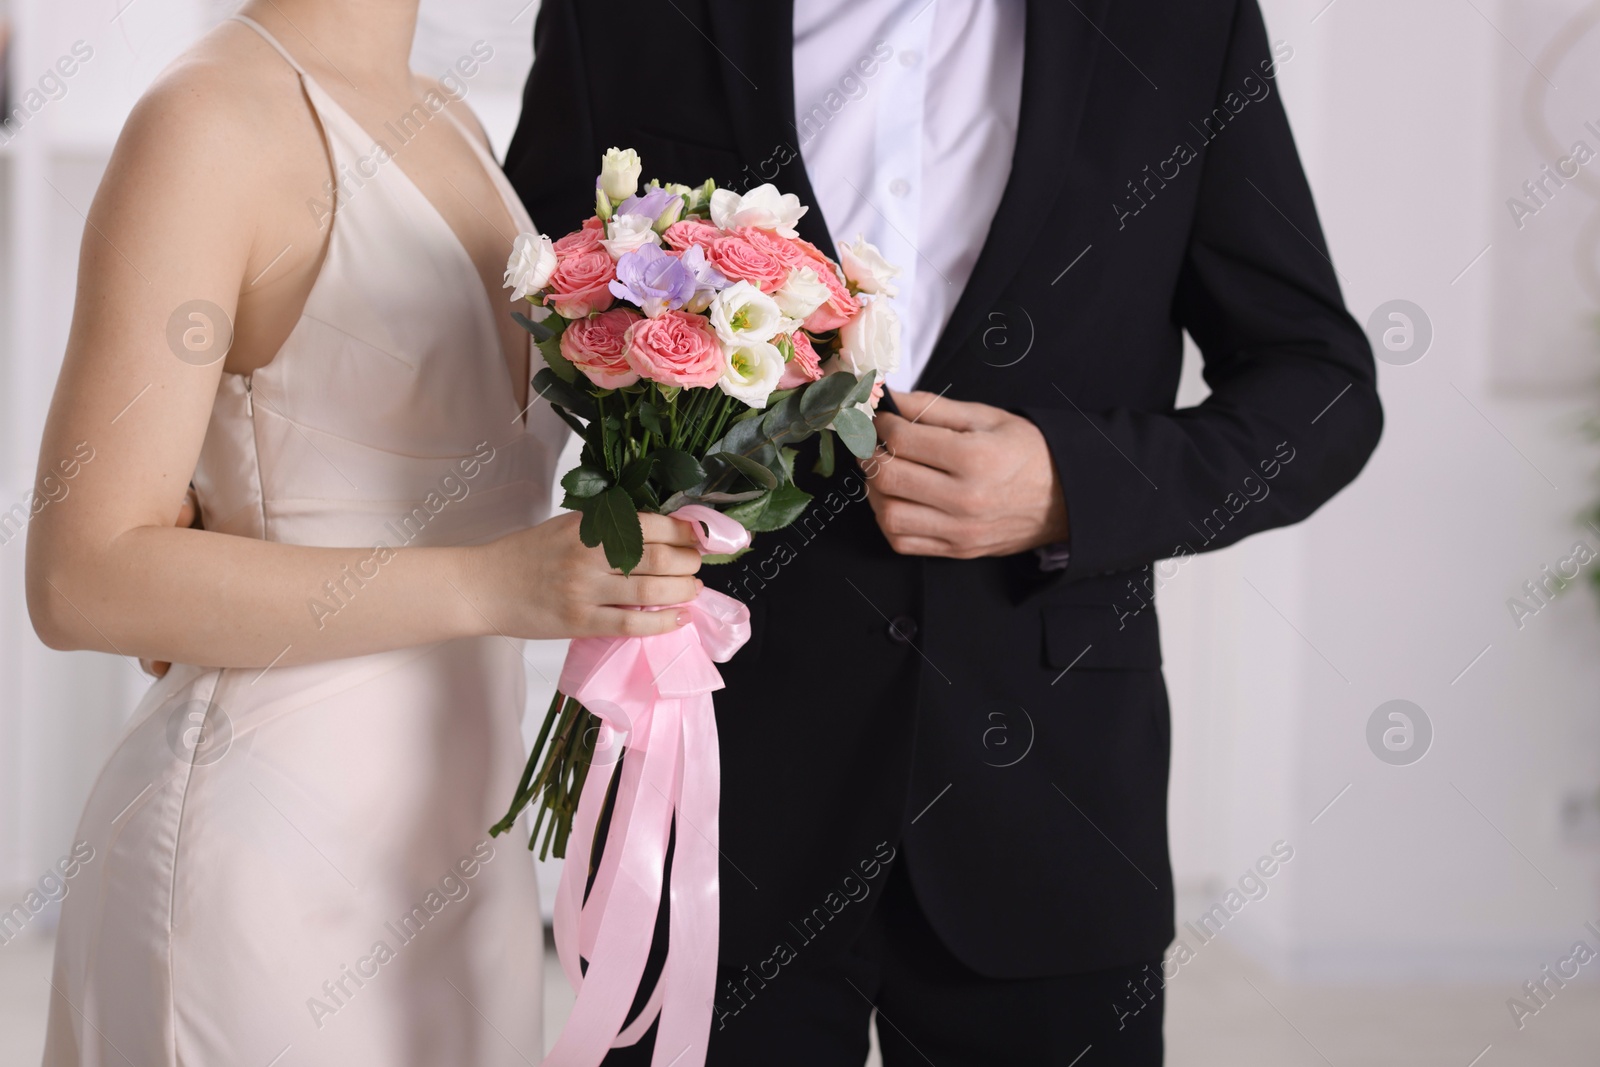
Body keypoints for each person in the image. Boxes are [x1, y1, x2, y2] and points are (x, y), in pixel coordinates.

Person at [508, 1, 1383, 1063]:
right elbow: (535, 315)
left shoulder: (1179, 25)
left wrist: (1072, 483)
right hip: (710, 793)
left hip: (1048, 797)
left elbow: (1319, 391)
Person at [24, 2, 703, 1063]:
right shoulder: (207, 119)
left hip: (456, 857)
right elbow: (83, 575)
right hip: (263, 865)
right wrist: (498, 587)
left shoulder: (453, 125)